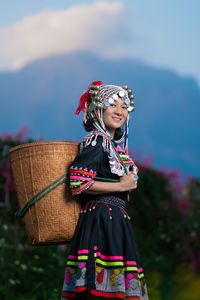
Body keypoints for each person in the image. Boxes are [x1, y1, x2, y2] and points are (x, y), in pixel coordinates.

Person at [61, 81, 149, 300]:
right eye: (113, 105)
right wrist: (120, 185)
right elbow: (79, 183)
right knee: (99, 290)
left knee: (116, 289)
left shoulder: (114, 147)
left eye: (124, 107)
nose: (119, 111)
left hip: (115, 221)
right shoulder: (96, 142)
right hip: (100, 221)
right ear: (99, 109)